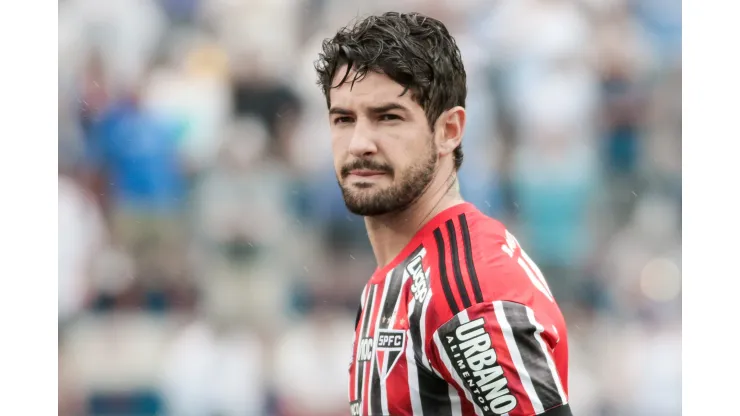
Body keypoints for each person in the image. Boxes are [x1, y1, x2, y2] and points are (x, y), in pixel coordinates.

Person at [314, 12, 572, 416]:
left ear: (449, 130)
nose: (359, 143)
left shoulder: (466, 289)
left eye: (388, 117)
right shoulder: (404, 272)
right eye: (343, 119)